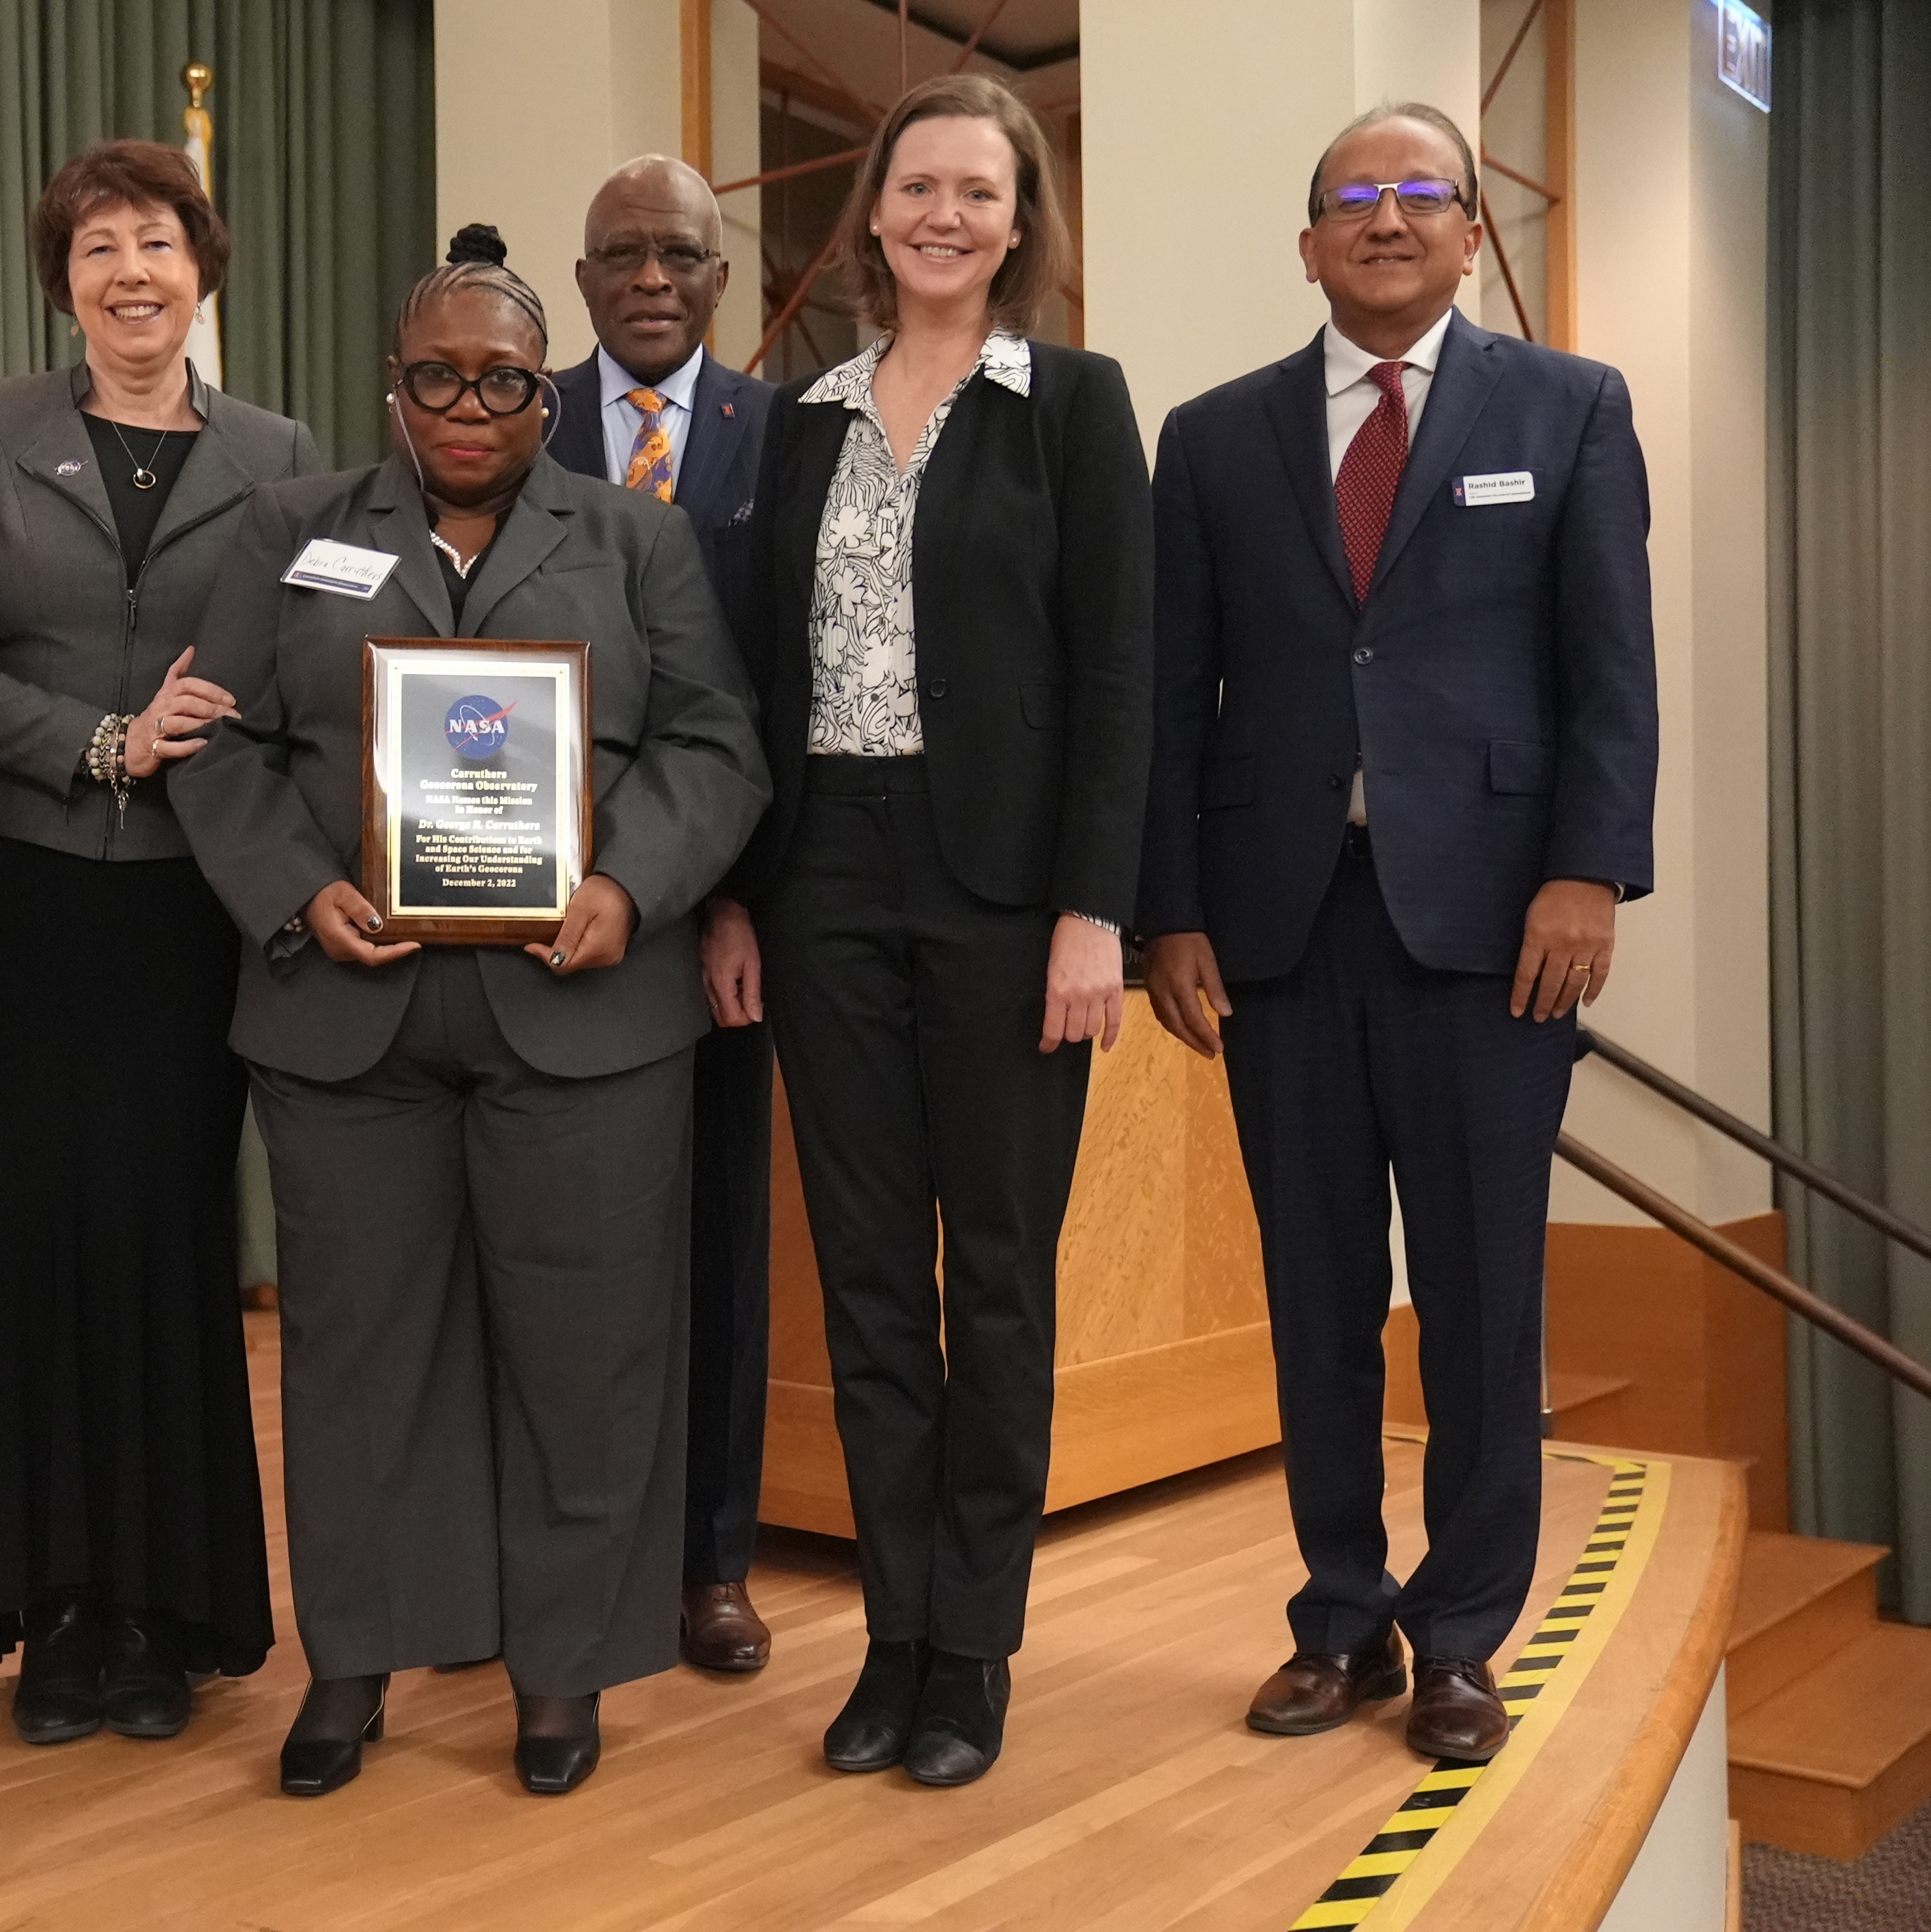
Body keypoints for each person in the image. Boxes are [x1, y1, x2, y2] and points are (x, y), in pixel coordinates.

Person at [173, 225, 768, 1799]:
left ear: (543, 396)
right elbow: (217, 743)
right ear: (391, 386)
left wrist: (630, 888)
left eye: (500, 376)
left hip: (581, 1014)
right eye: (432, 375)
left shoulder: (636, 545)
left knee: (588, 1354)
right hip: (342, 1021)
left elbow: (716, 745)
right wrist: (298, 889)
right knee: (360, 1356)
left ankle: (560, 1671)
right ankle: (354, 1662)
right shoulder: (290, 530)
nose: (464, 404)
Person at [1136, 103, 1655, 1763]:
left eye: (1417, 192)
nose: (1382, 218)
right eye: (1349, 198)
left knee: (1483, 1298)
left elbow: (1607, 665)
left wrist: (1590, 870)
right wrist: (1168, 909)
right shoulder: (1211, 440)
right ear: (1303, 245)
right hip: (1279, 928)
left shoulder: (1565, 408)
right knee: (1314, 1298)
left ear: (1466, 232)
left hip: (1497, 928)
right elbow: (1167, 697)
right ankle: (1340, 1616)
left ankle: (1459, 1639)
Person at [708, 72, 1152, 1788]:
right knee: (874, 1285)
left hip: (1005, 894)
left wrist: (1091, 911)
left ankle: (973, 1650)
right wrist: (740, 892)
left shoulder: (1073, 405)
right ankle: (890, 1639)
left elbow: (1117, 674)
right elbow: (758, 681)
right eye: (917, 190)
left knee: (1003, 1287)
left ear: (1020, 222)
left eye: (979, 190)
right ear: (873, 215)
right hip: (825, 880)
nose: (944, 216)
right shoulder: (798, 414)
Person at [0, 140, 321, 1744]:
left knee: (162, 1231)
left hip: (185, 914)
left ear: (202, 268)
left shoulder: (280, 454)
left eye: (155, 242)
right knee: (17, 1225)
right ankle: (45, 1600)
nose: (128, 272)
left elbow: (301, 668)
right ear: (61, 278)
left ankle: (160, 1606)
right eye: (95, 248)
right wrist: (100, 744)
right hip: (11, 888)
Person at [549, 155, 781, 1677]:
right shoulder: (509, 414)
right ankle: (541, 1554)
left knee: (713, 1243)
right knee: (542, 1246)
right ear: (580, 284)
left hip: (718, 921)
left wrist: (728, 897)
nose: (648, 278)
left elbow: (792, 692)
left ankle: (707, 1560)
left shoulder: (795, 436)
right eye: (620, 254)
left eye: (678, 256)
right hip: (524, 919)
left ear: (719, 280)